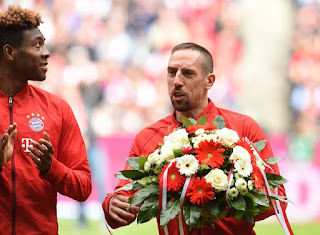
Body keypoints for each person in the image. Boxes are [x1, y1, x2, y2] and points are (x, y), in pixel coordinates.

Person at [102, 42, 287, 234]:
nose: (177, 81)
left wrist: (227, 200)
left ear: (210, 81)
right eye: (172, 72)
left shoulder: (242, 128)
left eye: (188, 73)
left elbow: (277, 198)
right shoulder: (148, 137)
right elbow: (124, 199)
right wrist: (112, 205)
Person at [0, 6, 92, 235]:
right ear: (10, 53)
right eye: (37, 44)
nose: (46, 52)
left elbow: (83, 187)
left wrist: (52, 168)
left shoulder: (58, 109)